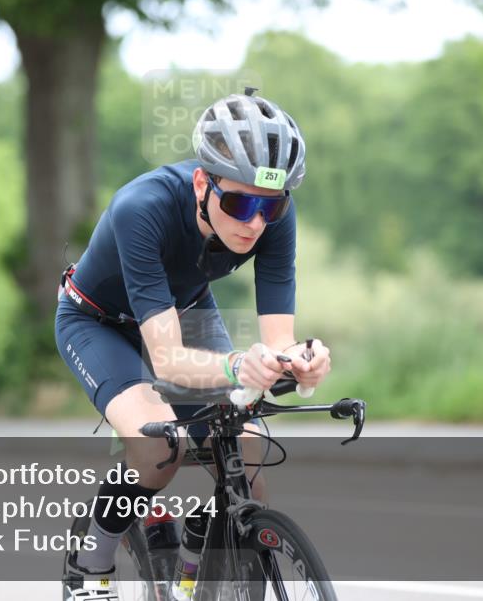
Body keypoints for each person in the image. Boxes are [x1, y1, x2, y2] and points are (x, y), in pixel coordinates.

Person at [56, 88, 332, 600]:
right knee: (159, 448)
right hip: (99, 322)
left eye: (269, 207)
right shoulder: (142, 207)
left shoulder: (272, 214)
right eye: (239, 202)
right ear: (202, 182)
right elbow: (167, 359)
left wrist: (299, 363)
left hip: (181, 309)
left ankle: (200, 548)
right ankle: (88, 564)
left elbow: (279, 341)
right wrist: (237, 367)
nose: (254, 222)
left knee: (247, 450)